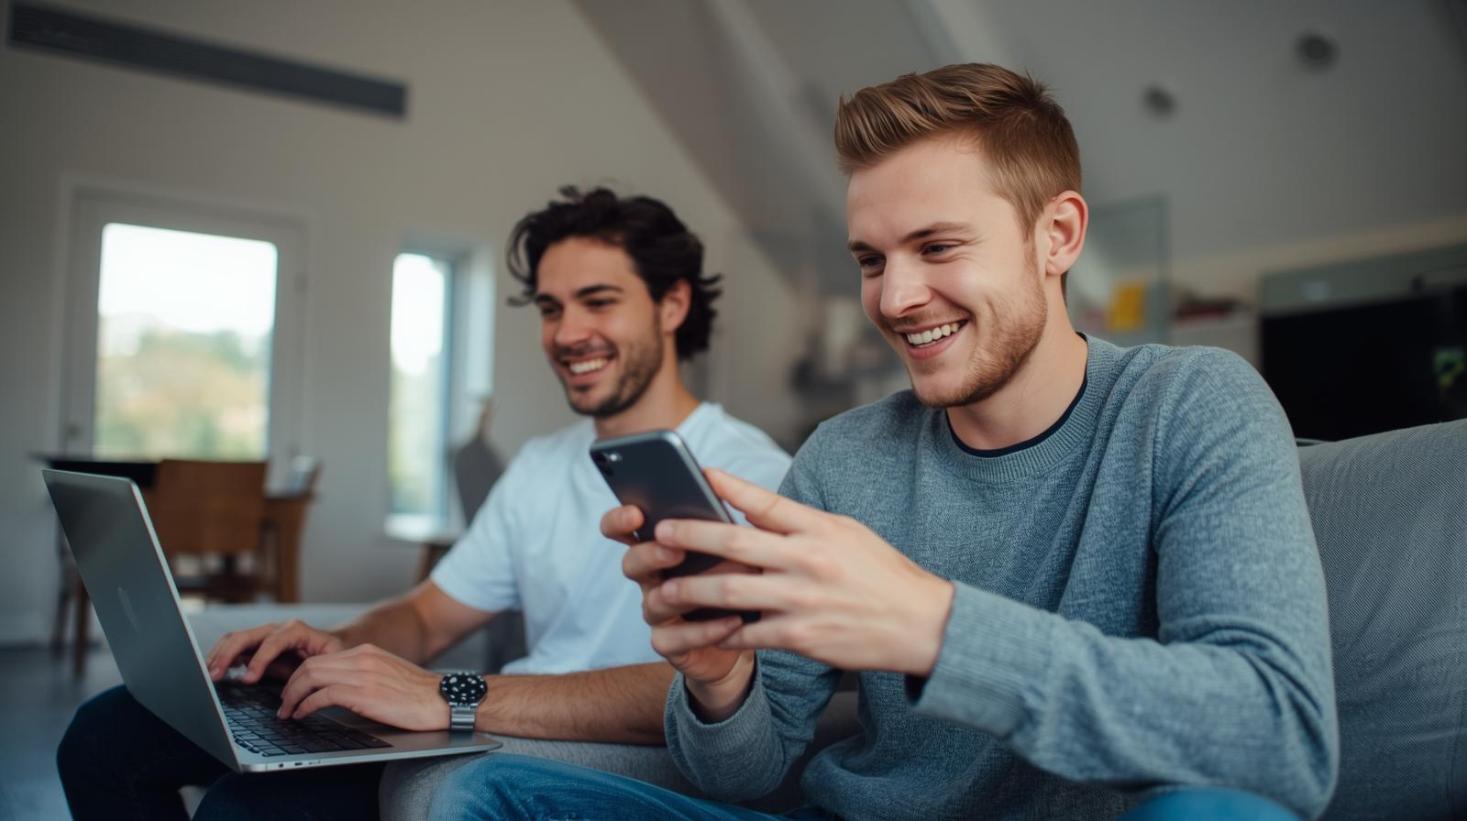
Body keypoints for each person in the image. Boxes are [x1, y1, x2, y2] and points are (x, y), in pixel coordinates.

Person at [432, 64, 1338, 820]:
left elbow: (1277, 730)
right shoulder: (842, 456)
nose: (895, 298)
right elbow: (743, 772)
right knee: (489, 794)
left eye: (937, 247)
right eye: (870, 260)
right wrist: (717, 680)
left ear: (1055, 235)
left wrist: (934, 627)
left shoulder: (1189, 406)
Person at [56, 187, 791, 821]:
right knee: (103, 735)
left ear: (672, 303)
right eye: (549, 307)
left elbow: (719, 693)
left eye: (597, 301)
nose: (567, 333)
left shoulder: (758, 477)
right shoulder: (541, 464)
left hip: (582, 743)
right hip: (487, 713)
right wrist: (336, 645)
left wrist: (450, 696)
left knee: (250, 809)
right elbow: (428, 615)